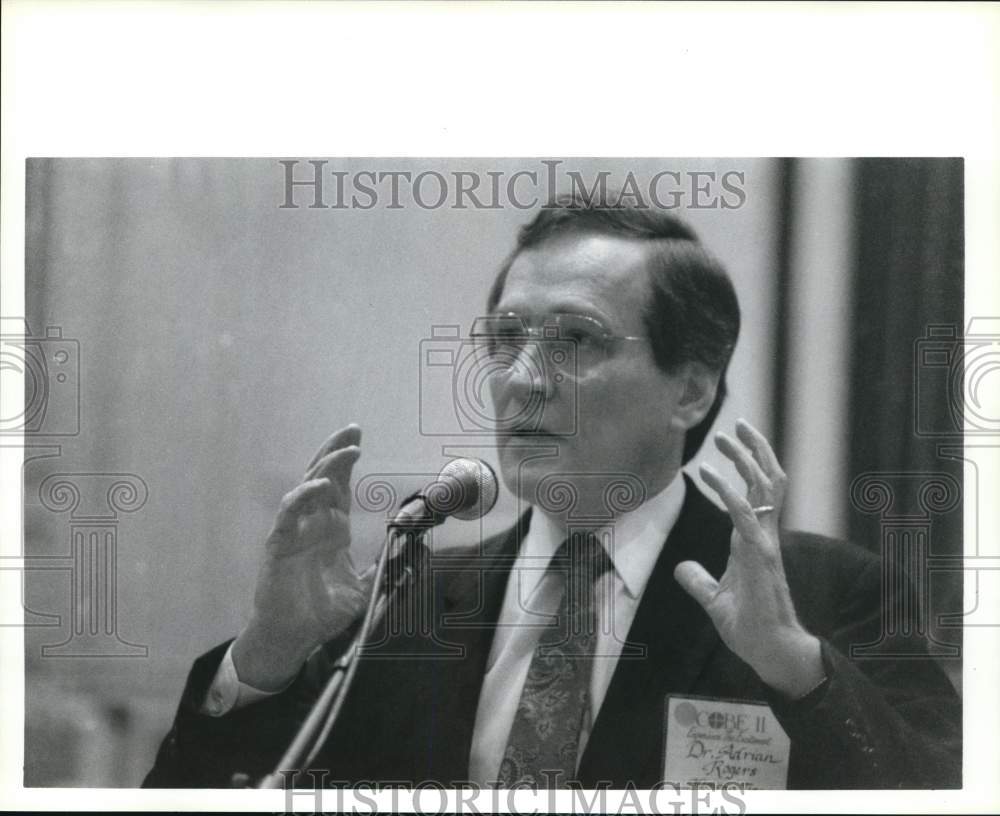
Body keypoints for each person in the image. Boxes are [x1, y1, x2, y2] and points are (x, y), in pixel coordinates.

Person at [144, 193, 961, 790]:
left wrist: (797, 672)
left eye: (576, 340)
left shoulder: (825, 598)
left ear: (690, 388)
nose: (520, 380)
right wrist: (266, 659)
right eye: (506, 339)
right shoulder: (409, 601)